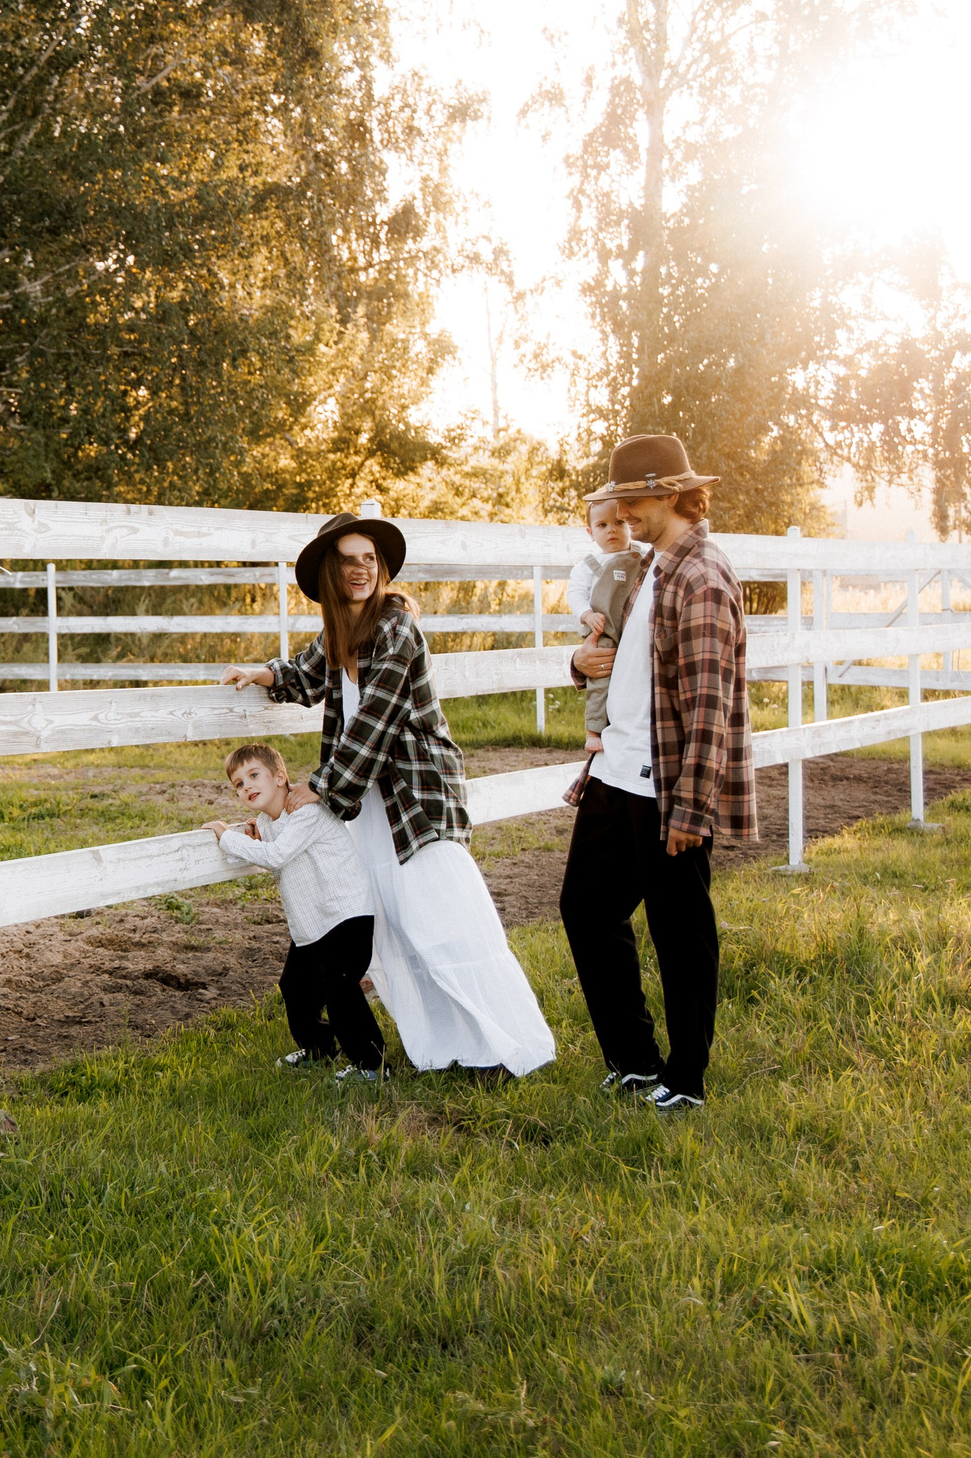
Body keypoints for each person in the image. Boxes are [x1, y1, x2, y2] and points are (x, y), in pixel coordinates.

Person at [224, 511, 558, 1078]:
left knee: (443, 916)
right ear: (332, 571)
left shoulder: (396, 625)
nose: (360, 570)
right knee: (397, 922)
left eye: (369, 560)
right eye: (348, 560)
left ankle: (503, 1047)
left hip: (414, 797)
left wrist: (323, 786)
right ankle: (444, 1048)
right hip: (370, 803)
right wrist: (265, 674)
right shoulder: (338, 632)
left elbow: (375, 717)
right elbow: (307, 676)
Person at [559, 435, 756, 1111]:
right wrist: (579, 664)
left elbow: (710, 703)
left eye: (632, 499)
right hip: (615, 769)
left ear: (671, 493)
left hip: (667, 782)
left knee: (680, 930)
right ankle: (635, 1060)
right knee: (586, 907)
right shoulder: (647, 566)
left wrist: (691, 807)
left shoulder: (702, 574)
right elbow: (611, 652)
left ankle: (686, 1076)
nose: (622, 511)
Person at [206, 742, 388, 1078]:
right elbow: (279, 861)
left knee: (340, 986)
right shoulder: (267, 821)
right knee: (295, 986)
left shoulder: (306, 811)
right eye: (239, 784)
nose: (247, 786)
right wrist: (258, 842)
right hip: (312, 922)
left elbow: (277, 857)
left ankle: (371, 1065)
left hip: (346, 914)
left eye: (254, 775)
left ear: (280, 778)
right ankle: (319, 1049)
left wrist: (226, 835)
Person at [563, 495, 648, 806]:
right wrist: (586, 615)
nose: (612, 530)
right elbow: (574, 595)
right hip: (604, 627)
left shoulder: (643, 557)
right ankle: (594, 729)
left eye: (619, 523)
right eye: (602, 525)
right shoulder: (590, 564)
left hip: (632, 627)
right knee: (600, 676)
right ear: (591, 533)